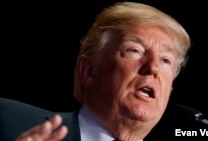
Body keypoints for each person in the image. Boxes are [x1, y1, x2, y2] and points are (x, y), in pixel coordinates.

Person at [0, 1, 191, 141]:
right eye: (135, 50)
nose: (153, 67)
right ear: (89, 72)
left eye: (166, 60)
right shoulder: (7, 119)